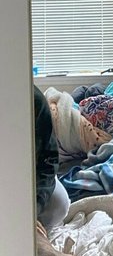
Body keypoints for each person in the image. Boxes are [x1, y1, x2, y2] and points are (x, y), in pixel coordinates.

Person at [34, 85, 70, 230]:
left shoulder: (33, 100)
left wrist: (36, 205)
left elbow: (49, 159)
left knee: (59, 205)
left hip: (25, 176)